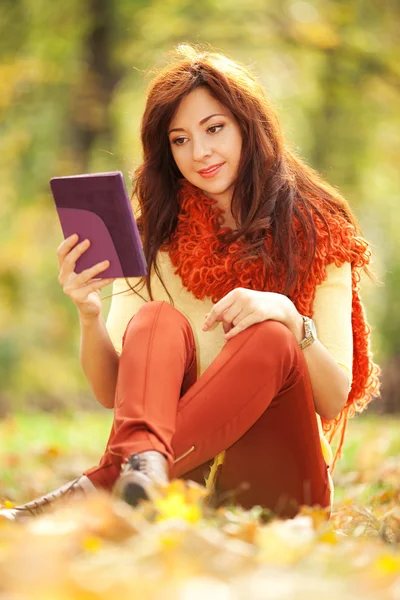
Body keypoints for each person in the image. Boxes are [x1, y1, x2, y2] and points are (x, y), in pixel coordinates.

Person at [1, 44, 380, 522]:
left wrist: (289, 315)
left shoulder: (319, 232)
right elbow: (115, 393)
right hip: (177, 483)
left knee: (268, 336)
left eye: (214, 129)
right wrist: (88, 315)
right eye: (179, 140)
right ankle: (139, 475)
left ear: (250, 126)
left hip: (278, 482)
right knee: (155, 319)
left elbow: (332, 398)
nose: (199, 153)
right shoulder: (154, 235)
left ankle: (96, 491)